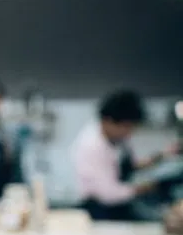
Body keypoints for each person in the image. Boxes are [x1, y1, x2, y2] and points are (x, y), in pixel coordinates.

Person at [73, 90, 179, 221]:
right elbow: (107, 193)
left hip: (119, 206)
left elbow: (132, 165)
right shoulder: (92, 145)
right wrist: (145, 188)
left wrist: (164, 155)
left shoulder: (118, 140)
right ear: (108, 121)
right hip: (100, 212)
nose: (129, 133)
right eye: (126, 127)